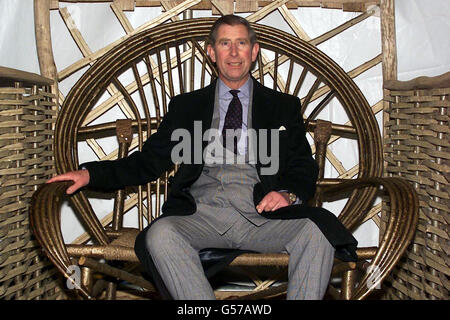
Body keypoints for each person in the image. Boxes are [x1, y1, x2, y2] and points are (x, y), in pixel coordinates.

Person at [48, 15, 357, 300]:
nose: (234, 53)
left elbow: (302, 164)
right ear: (212, 52)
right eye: (225, 43)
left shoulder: (282, 106)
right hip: (202, 215)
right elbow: (148, 161)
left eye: (241, 43)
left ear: (254, 51)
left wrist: (287, 193)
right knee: (161, 234)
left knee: (317, 232)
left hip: (263, 216)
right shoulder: (187, 106)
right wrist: (90, 174)